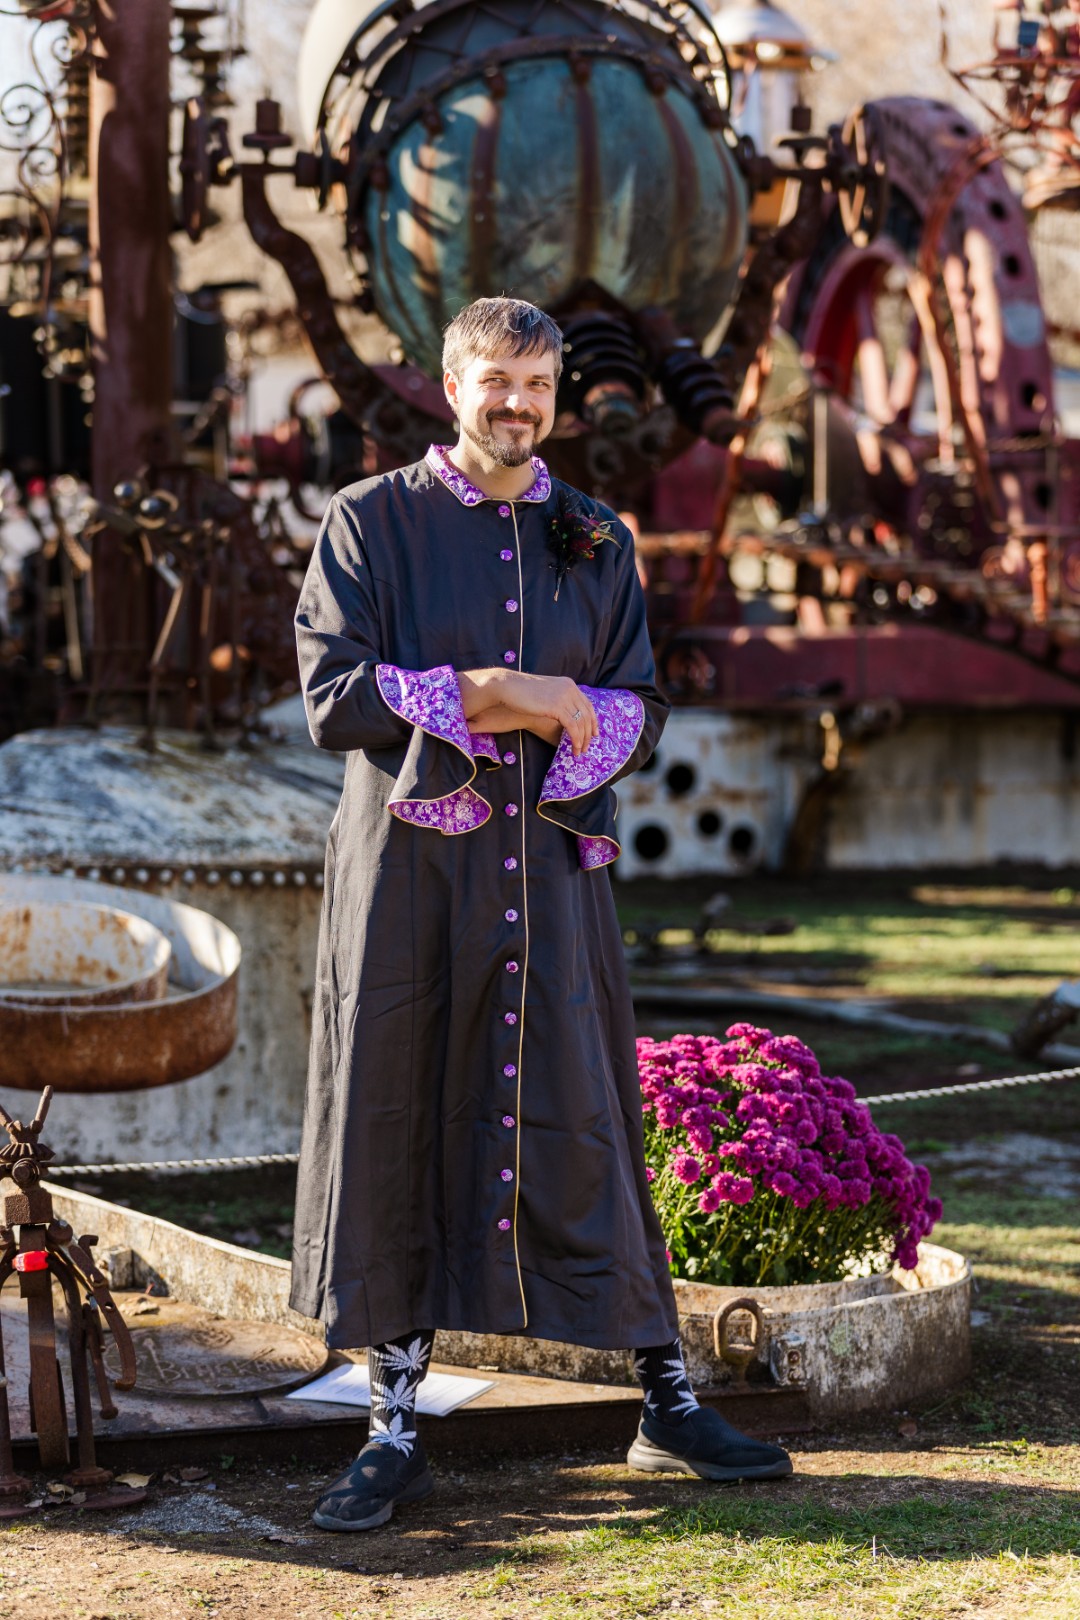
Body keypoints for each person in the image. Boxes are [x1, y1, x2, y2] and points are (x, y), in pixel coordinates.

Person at [292, 296, 792, 1532]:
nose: (515, 404)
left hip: (553, 880)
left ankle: (665, 1400)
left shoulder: (596, 535)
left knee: (583, 1112)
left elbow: (633, 705)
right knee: (399, 1107)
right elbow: (334, 695)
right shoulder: (369, 523)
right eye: (493, 381)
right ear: (448, 385)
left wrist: (560, 705)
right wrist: (500, 690)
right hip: (412, 885)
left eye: (536, 384)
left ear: (557, 395)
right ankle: (393, 1424)